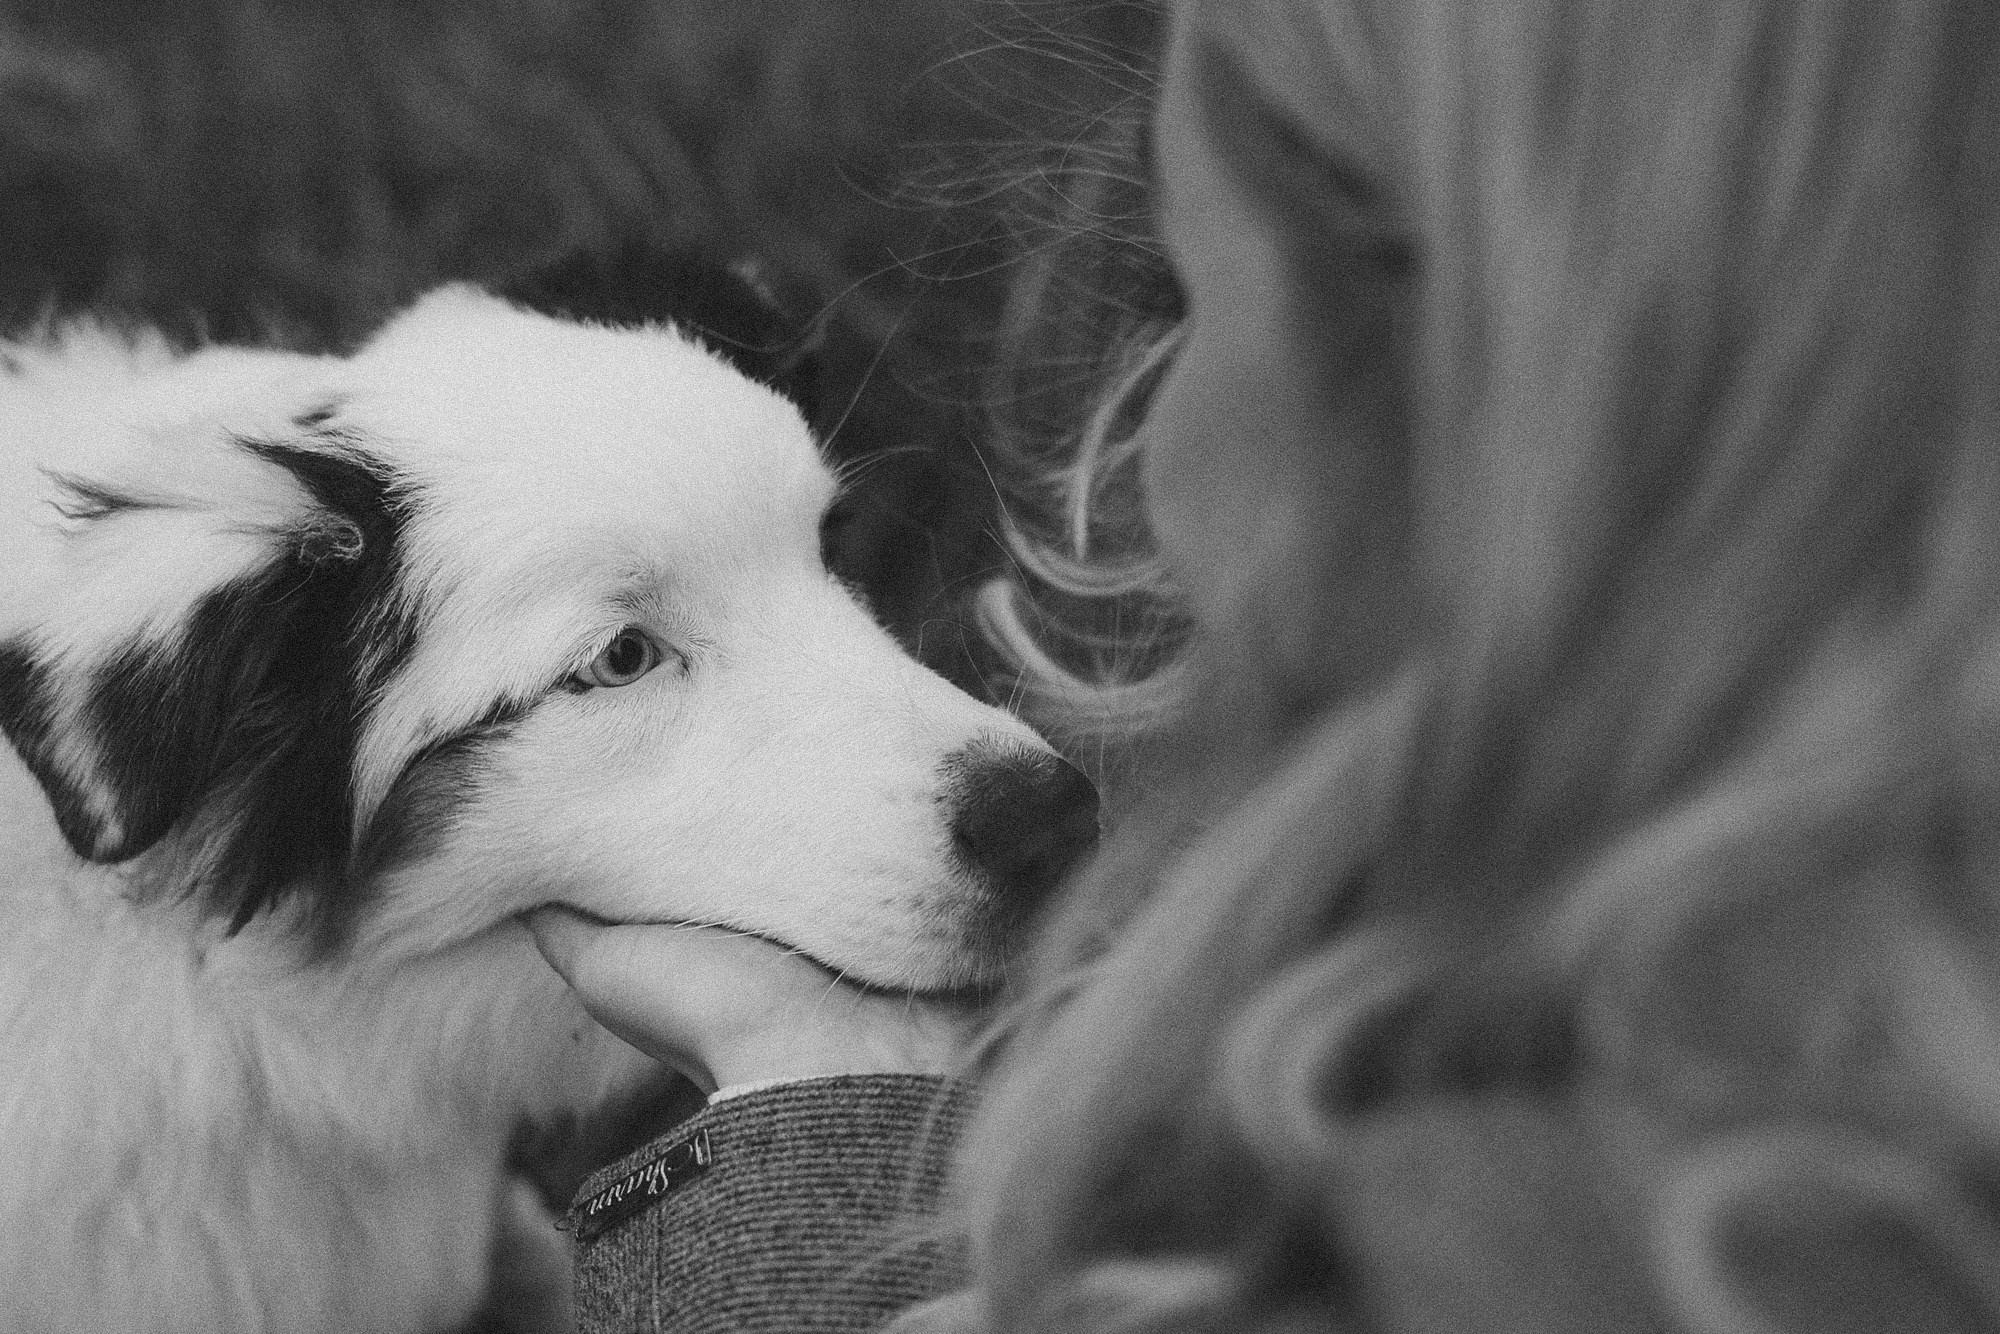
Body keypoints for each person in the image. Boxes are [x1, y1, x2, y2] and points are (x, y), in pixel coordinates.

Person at [529, 0, 2000, 1330]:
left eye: (1177, 288)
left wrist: (811, 1118)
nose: (1136, 438)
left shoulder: (1513, 1244)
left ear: (1455, 384)